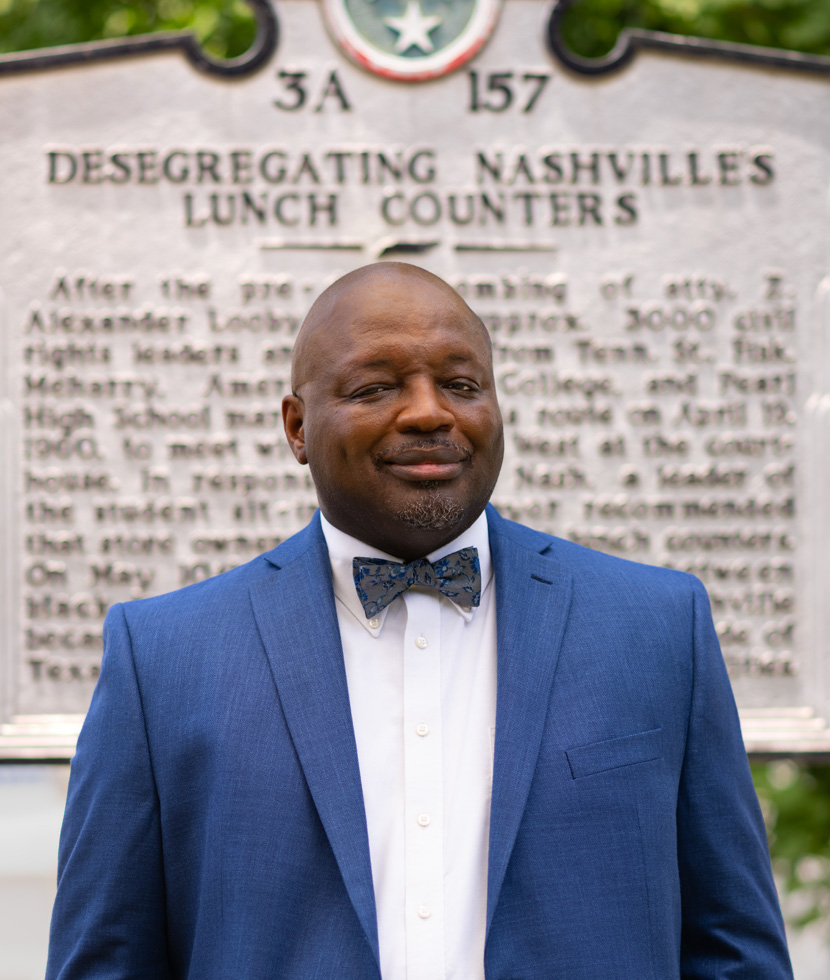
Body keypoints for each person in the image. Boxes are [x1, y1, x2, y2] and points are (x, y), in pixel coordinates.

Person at [46, 262, 793, 980]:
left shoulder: (659, 627)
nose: (430, 411)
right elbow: (105, 961)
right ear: (297, 428)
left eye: (461, 383)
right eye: (376, 387)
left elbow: (735, 952)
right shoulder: (163, 657)